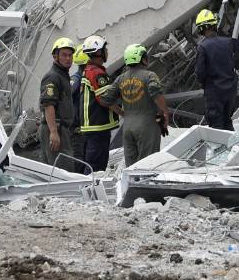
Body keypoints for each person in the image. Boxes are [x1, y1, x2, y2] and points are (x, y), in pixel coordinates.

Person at [194, 9, 239, 131]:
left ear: (201, 29)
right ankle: (230, 146)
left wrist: (204, 84)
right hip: (230, 89)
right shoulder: (227, 42)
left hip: (215, 91)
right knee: (227, 120)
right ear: (215, 25)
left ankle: (220, 148)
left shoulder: (203, 47)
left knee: (216, 125)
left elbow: (200, 73)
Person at [100, 44, 169, 167]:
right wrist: (164, 114)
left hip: (128, 128)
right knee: (149, 165)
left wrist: (122, 113)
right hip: (147, 126)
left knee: (131, 167)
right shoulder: (149, 75)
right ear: (142, 59)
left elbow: (105, 100)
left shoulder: (120, 79)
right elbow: (156, 94)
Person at [75, 34, 119, 175]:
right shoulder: (96, 73)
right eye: (105, 49)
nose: (107, 52)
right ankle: (90, 193)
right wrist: (124, 113)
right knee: (95, 167)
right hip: (98, 128)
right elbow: (106, 100)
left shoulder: (89, 70)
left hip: (92, 128)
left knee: (92, 163)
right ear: (98, 52)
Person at [39, 36, 77, 170]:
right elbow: (48, 105)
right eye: (64, 55)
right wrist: (53, 132)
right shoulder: (53, 76)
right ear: (55, 56)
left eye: (70, 55)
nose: (68, 58)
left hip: (61, 129)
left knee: (57, 169)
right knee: (61, 170)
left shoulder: (62, 76)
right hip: (56, 128)